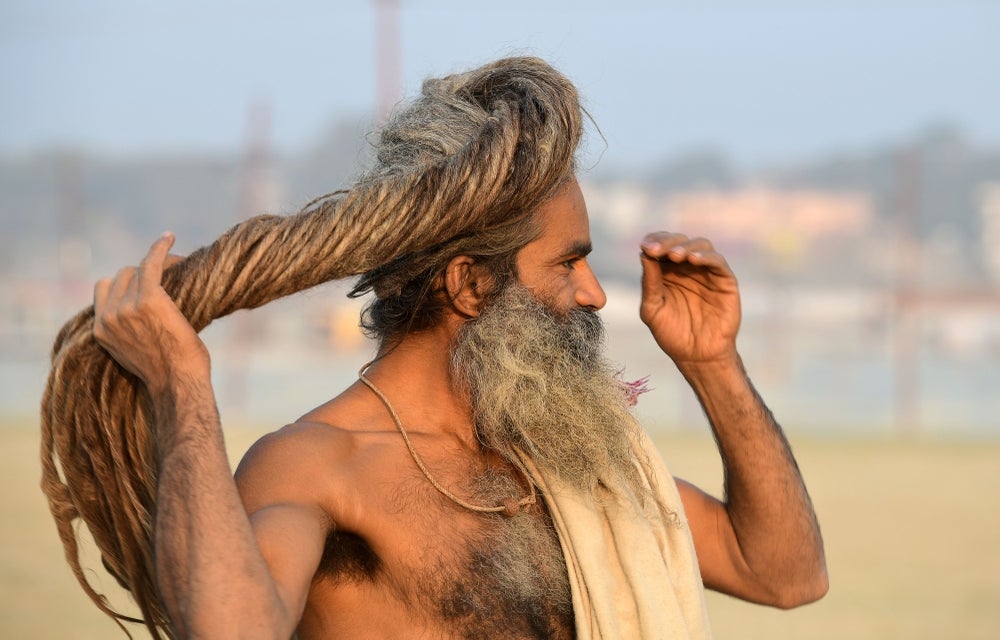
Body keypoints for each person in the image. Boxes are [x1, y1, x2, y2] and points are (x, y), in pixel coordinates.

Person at [46, 57, 826, 640]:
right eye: (567, 262)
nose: (594, 294)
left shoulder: (564, 462)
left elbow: (785, 573)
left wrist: (713, 363)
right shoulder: (318, 464)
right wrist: (183, 387)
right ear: (469, 286)